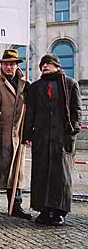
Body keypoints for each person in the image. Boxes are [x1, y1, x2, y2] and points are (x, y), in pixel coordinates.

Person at [23, 54, 82, 226]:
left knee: (60, 176)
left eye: (49, 64)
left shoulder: (70, 84)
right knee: (41, 173)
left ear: (57, 66)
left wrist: (73, 131)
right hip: (41, 137)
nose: (45, 66)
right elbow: (30, 113)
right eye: (43, 64)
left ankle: (58, 211)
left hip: (61, 138)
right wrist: (27, 135)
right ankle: (43, 209)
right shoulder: (35, 88)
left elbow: (76, 110)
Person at [0, 49, 31, 219]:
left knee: (16, 172)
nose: (8, 67)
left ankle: (16, 205)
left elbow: (30, 109)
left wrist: (28, 133)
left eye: (11, 64)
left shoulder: (26, 84)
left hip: (17, 133)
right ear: (1, 66)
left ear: (16, 65)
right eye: (5, 64)